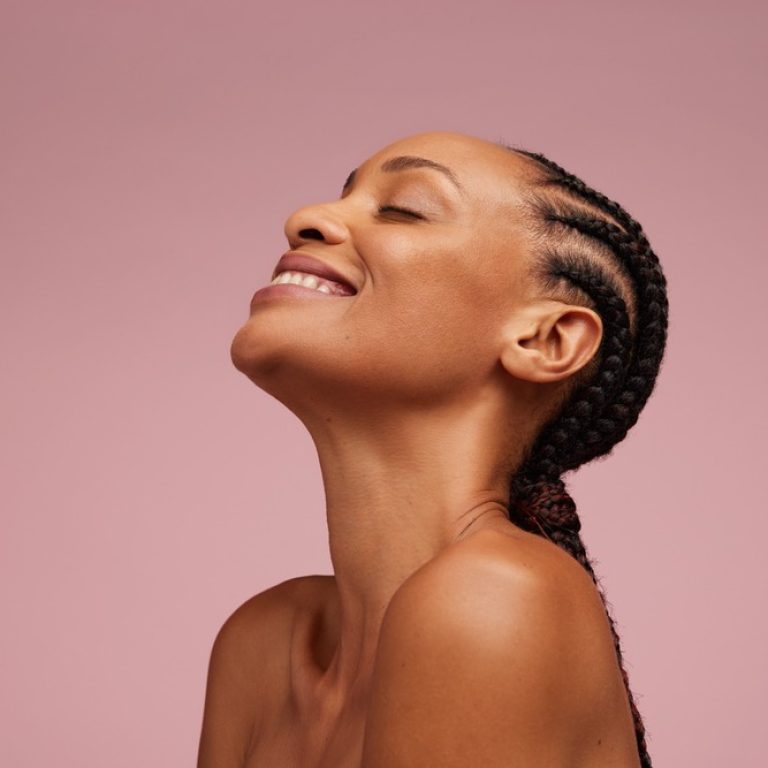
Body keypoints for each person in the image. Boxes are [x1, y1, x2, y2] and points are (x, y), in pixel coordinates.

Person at [197, 131, 668, 768]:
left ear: (546, 339)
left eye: (405, 208)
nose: (304, 218)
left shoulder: (495, 598)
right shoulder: (264, 642)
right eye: (345, 194)